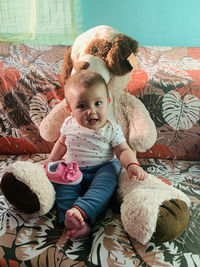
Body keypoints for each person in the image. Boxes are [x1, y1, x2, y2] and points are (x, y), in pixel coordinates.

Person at [42, 69, 148, 240]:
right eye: (82, 106)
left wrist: (131, 165)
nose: (91, 111)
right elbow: (61, 143)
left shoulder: (111, 128)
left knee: (104, 187)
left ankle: (81, 210)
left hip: (103, 168)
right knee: (64, 191)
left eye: (98, 103)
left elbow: (123, 150)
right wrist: (52, 159)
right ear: (70, 109)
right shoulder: (69, 124)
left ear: (108, 102)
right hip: (72, 169)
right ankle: (73, 220)